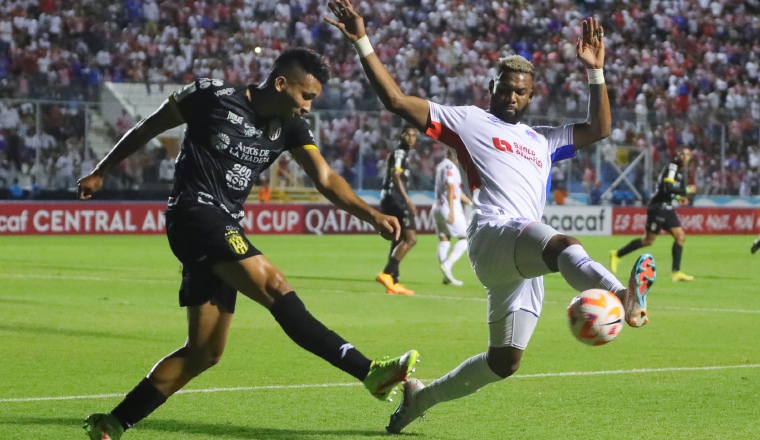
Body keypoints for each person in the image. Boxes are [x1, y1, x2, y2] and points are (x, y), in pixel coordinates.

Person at [326, 3, 656, 434]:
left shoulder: (544, 140)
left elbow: (600, 128)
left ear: (531, 95)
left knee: (504, 362)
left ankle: (418, 399)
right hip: (494, 233)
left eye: (520, 92)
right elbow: (395, 100)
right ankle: (622, 294)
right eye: (505, 89)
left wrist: (595, 71)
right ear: (491, 86)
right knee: (561, 244)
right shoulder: (469, 120)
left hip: (521, 262)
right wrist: (362, 41)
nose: (512, 97)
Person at [77, 48, 419, 440]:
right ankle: (369, 371)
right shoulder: (210, 96)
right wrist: (101, 170)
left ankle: (112, 423)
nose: (308, 108)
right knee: (275, 286)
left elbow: (324, 177)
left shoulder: (289, 126)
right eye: (306, 96)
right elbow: (147, 128)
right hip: (194, 214)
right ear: (280, 84)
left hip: (224, 225)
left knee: (204, 352)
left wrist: (372, 215)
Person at [610, 147, 695, 282]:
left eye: (688, 154)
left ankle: (676, 273)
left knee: (680, 237)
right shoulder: (672, 167)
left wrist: (679, 198)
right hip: (658, 207)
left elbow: (667, 191)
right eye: (683, 154)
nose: (685, 157)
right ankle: (617, 254)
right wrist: (685, 190)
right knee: (648, 241)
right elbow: (667, 187)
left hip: (667, 207)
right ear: (678, 155)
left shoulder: (679, 172)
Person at [374, 124, 419, 295]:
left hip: (389, 198)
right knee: (411, 238)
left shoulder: (403, 153)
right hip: (395, 199)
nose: (411, 139)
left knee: (397, 237)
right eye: (408, 135)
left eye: (414, 136)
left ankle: (393, 281)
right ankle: (386, 273)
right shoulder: (400, 153)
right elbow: (396, 175)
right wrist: (407, 200)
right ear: (401, 136)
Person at [432, 147, 471, 286]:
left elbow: (456, 191)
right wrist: (452, 211)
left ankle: (446, 276)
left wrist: (470, 202)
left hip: (437, 207)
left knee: (444, 240)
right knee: (466, 238)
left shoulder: (441, 165)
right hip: (448, 208)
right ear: (451, 153)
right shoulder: (450, 167)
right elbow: (449, 187)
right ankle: (447, 264)